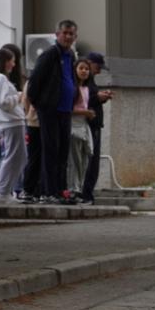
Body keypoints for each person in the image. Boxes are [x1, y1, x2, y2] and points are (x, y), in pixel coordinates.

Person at [25, 20, 79, 203]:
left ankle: (60, 190)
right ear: (57, 34)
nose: (68, 37)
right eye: (65, 33)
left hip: (65, 110)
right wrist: (41, 105)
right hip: (50, 111)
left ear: (75, 37)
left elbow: (71, 79)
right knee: (51, 151)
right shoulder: (49, 55)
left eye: (71, 34)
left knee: (63, 152)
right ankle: (48, 192)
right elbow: (34, 83)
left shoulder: (71, 55)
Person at [0, 45, 28, 204]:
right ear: (5, 62)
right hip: (11, 123)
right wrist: (18, 96)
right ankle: (2, 192)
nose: (14, 64)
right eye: (12, 61)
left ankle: (5, 191)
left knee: (19, 158)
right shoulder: (1, 78)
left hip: (12, 123)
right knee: (13, 157)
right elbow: (2, 102)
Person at [77, 50, 113, 203]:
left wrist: (100, 97)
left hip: (95, 124)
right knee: (88, 163)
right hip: (87, 125)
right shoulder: (81, 83)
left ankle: (87, 194)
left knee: (93, 163)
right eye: (97, 67)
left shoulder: (90, 82)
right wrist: (97, 97)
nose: (98, 71)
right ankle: (84, 194)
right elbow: (81, 102)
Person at [68, 58, 96, 199]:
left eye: (87, 69)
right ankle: (73, 189)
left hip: (84, 125)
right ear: (75, 70)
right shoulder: (72, 88)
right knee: (75, 159)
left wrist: (88, 114)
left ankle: (78, 187)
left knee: (86, 156)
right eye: (81, 68)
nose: (84, 71)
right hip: (74, 125)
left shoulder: (86, 89)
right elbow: (69, 109)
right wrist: (85, 112)